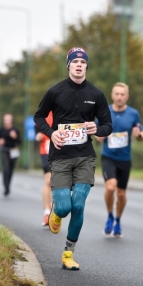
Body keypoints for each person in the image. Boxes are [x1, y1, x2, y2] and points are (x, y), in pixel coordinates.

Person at [34, 47, 112, 270]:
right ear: (69, 65)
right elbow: (38, 117)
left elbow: (108, 125)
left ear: (87, 66)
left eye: (83, 62)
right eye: (75, 61)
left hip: (84, 158)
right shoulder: (55, 92)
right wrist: (52, 133)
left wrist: (96, 127)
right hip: (59, 157)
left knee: (78, 204)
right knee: (65, 206)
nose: (79, 65)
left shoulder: (96, 94)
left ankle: (68, 253)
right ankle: (55, 213)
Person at [95, 82, 143, 238]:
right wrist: (100, 136)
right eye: (116, 94)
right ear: (112, 95)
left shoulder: (133, 114)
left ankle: (118, 220)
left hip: (125, 159)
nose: (119, 97)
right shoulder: (105, 111)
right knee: (111, 188)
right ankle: (110, 216)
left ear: (127, 97)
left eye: (122, 94)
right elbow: (96, 134)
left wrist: (138, 135)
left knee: (122, 194)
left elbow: (141, 134)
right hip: (108, 156)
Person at [35, 111, 53, 226]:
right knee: (48, 180)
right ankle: (47, 212)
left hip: (63, 151)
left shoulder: (66, 109)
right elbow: (36, 131)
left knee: (58, 182)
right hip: (46, 151)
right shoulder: (44, 112)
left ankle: (54, 209)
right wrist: (38, 136)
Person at [0, 113, 21, 196]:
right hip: (4, 151)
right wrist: (0, 142)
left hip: (13, 151)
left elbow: (20, 142)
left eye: (9, 120)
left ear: (11, 121)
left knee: (10, 170)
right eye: (6, 120)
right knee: (6, 169)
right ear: (3, 121)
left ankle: (8, 185)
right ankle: (6, 187)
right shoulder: (1, 130)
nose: (7, 121)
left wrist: (15, 137)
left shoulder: (15, 130)